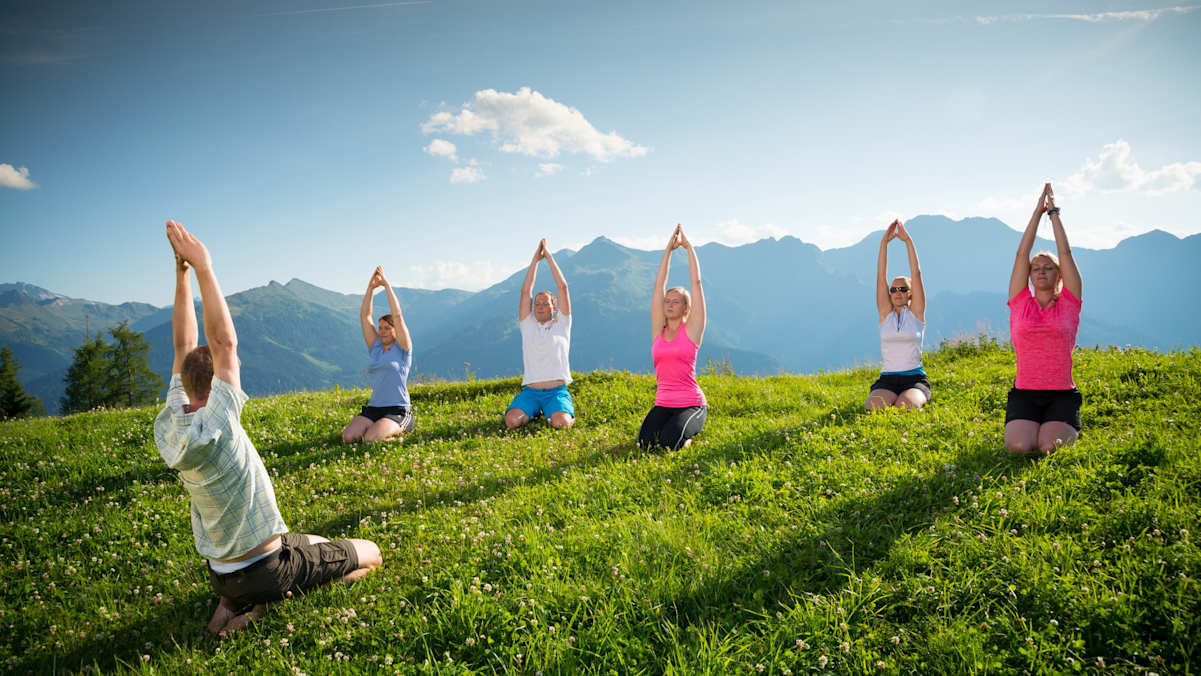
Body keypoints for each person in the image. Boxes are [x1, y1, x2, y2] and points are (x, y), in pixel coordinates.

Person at [155, 220, 382, 635]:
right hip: (266, 569)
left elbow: (183, 347)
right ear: (217, 385)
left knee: (310, 539)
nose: (235, 371)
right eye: (231, 373)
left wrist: (180, 274)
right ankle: (262, 610)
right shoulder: (220, 424)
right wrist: (203, 266)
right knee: (372, 554)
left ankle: (230, 602)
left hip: (222, 573)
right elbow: (223, 344)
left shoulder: (176, 423)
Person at [1004, 183, 1084, 454]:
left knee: (1049, 447)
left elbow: (1066, 254)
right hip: (1024, 393)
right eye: (1036, 269)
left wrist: (1053, 214)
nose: (1041, 272)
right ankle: (1036, 425)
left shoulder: (1070, 303)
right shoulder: (1020, 302)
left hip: (1061, 394)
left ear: (1059, 275)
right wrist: (1036, 213)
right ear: (1029, 275)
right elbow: (1020, 255)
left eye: (1048, 268)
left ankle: (1060, 425)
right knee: (1019, 447)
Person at [638, 224, 707, 449]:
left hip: (691, 404)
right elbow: (659, 285)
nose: (668, 304)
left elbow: (696, 283)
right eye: (667, 301)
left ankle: (686, 436)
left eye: (675, 301)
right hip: (664, 403)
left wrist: (689, 249)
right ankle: (672, 430)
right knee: (645, 443)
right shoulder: (659, 329)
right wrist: (667, 250)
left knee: (669, 443)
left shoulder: (693, 329)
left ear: (686, 308)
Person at [505, 238, 575, 429]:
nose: (541, 306)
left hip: (556, 391)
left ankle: (556, 412)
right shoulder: (528, 324)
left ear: (554, 308)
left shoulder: (562, 323)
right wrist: (535, 259)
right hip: (531, 392)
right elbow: (525, 291)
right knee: (512, 421)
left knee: (562, 423)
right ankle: (536, 411)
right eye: (538, 303)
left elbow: (563, 287)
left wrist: (549, 257)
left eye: (546, 304)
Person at [341, 266, 414, 443]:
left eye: (387, 328)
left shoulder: (403, 348)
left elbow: (397, 315)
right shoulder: (375, 347)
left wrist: (387, 286)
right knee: (348, 437)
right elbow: (365, 316)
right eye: (380, 328)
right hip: (374, 407)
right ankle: (379, 429)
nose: (382, 332)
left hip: (397, 408)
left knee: (370, 439)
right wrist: (371, 288)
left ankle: (399, 432)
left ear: (396, 330)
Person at [866, 219, 931, 410]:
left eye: (903, 289)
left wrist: (908, 242)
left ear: (911, 293)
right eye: (893, 289)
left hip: (914, 378)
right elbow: (880, 276)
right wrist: (883, 244)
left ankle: (911, 397)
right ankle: (894, 397)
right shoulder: (886, 315)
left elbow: (916, 273)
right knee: (873, 406)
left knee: (906, 406)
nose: (897, 293)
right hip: (887, 379)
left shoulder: (916, 314)